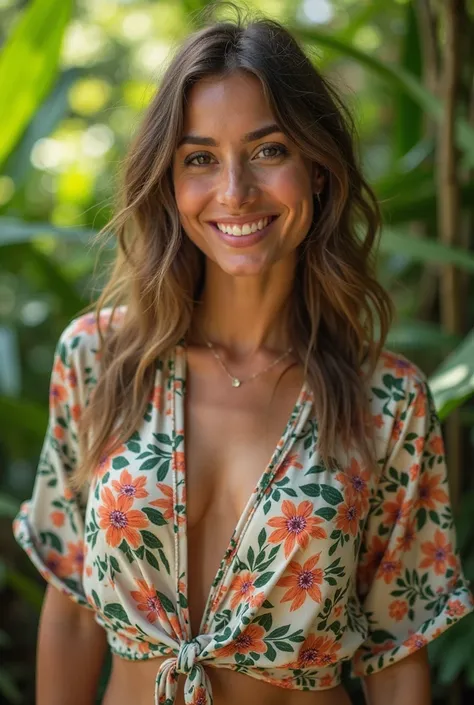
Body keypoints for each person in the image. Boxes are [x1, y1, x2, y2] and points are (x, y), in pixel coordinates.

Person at [13, 6, 473, 705]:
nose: (235, 191)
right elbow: (72, 614)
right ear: (168, 182)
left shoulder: (389, 402)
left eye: (268, 150)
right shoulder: (100, 359)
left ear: (318, 170)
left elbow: (397, 656)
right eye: (200, 158)